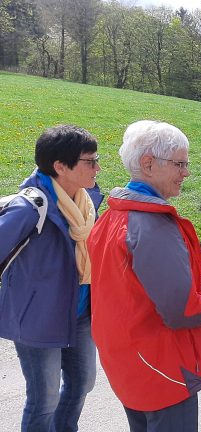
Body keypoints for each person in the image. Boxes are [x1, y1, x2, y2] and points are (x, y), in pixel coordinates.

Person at [87, 121, 201, 432]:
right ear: (148, 164)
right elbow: (180, 309)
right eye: (180, 164)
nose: (186, 172)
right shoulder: (151, 225)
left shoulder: (111, 216)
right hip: (161, 365)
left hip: (127, 359)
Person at [0, 125, 102, 432]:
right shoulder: (29, 207)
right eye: (90, 161)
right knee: (43, 399)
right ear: (60, 166)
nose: (97, 168)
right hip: (37, 319)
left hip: (80, 313)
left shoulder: (86, 201)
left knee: (83, 383)